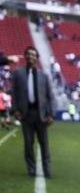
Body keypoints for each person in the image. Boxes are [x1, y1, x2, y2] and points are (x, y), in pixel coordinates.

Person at [12, 46, 53, 178]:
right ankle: (31, 169)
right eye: (28, 54)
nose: (31, 56)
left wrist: (51, 114)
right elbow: (14, 94)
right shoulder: (18, 74)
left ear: (37, 58)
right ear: (25, 56)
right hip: (26, 114)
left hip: (41, 115)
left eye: (33, 55)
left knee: (44, 143)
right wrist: (15, 110)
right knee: (28, 143)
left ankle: (47, 170)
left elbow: (50, 96)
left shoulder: (44, 76)